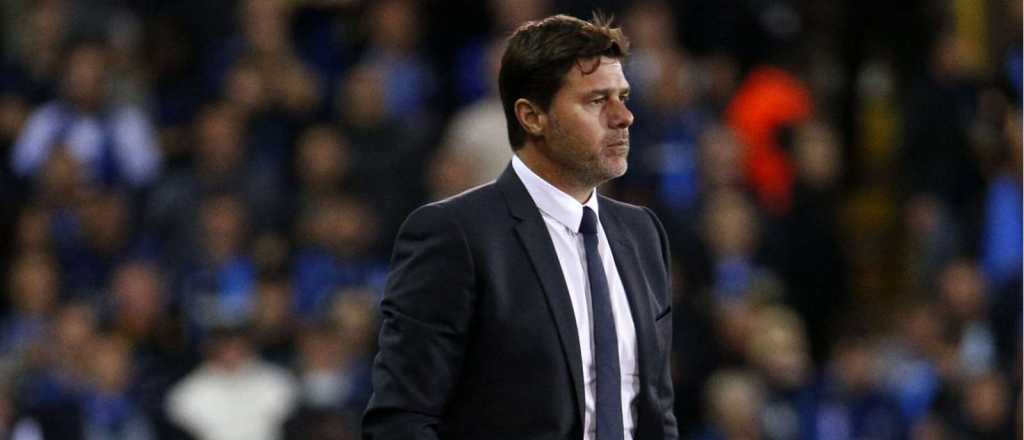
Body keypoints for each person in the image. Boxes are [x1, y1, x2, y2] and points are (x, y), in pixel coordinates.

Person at [363, 13, 677, 439]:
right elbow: (402, 419)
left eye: (623, 96)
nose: (624, 117)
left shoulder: (643, 234)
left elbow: (655, 412)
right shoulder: (455, 234)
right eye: (596, 101)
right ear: (532, 117)